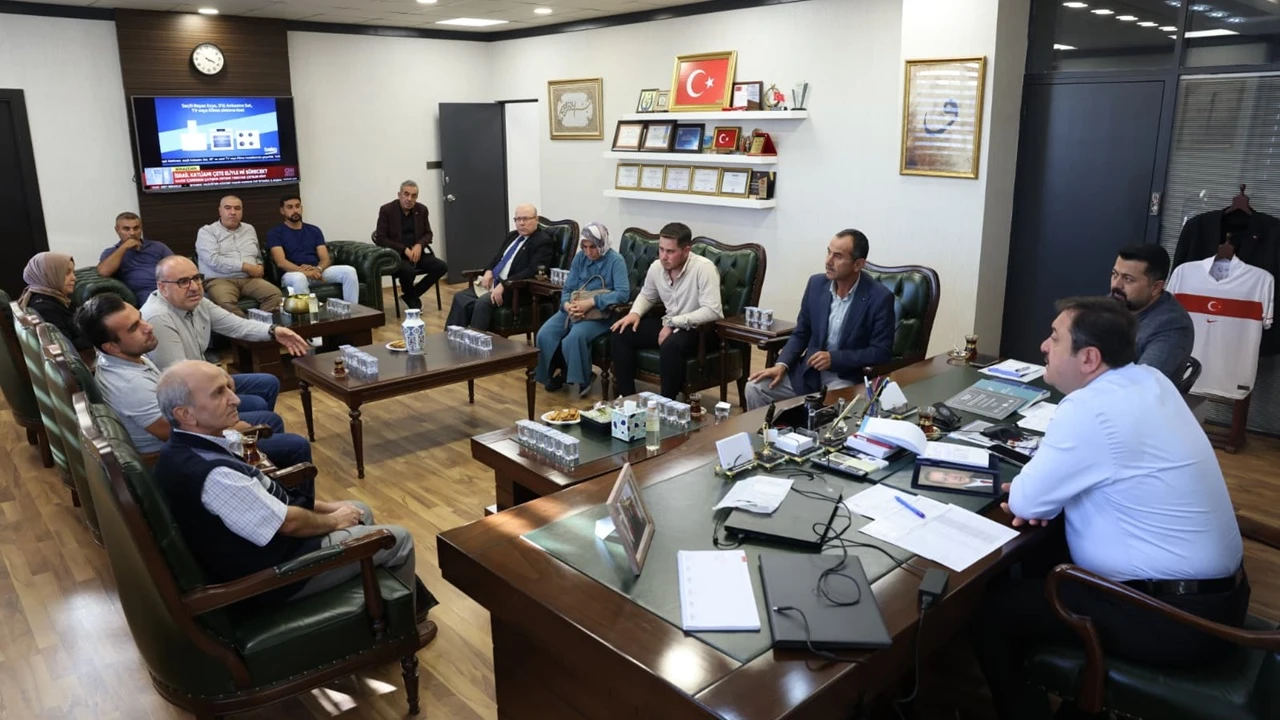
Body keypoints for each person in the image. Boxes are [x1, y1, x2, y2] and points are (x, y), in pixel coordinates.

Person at [974, 296, 1248, 720]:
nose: (1044, 345)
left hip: (1176, 622)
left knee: (993, 613)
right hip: (1224, 598)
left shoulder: (1089, 408)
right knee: (1042, 556)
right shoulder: (1151, 380)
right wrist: (1046, 494)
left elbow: (1026, 501)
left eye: (1055, 338)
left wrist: (1040, 494)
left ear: (1089, 358)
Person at [152, 360, 435, 615]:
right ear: (185, 414)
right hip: (271, 578)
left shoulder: (188, 448)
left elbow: (266, 501)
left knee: (359, 510)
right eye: (218, 393)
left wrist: (327, 509)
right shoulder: (214, 475)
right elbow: (288, 524)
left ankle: (374, 613)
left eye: (229, 388)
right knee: (397, 539)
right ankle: (406, 623)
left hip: (265, 551)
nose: (235, 399)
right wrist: (333, 520)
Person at [76, 293, 312, 470]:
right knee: (292, 441)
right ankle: (270, 486)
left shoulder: (125, 357)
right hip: (185, 455)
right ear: (111, 346)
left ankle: (265, 478)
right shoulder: (130, 385)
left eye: (140, 318)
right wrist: (236, 429)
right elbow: (175, 434)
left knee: (265, 405)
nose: (148, 327)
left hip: (187, 423)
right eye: (135, 327)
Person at [744, 230, 895, 410]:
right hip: (809, 374)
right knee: (755, 388)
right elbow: (801, 332)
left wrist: (835, 359)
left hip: (845, 379)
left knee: (834, 414)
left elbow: (880, 352)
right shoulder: (816, 284)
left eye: (838, 256)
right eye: (828, 252)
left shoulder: (879, 297)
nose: (828, 261)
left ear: (858, 264)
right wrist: (781, 365)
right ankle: (765, 430)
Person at [142, 255, 310, 415]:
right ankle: (238, 431)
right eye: (183, 282)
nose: (193, 287)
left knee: (269, 383)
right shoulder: (157, 318)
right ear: (162, 287)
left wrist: (274, 331)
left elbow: (236, 325)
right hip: (184, 397)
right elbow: (178, 374)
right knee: (256, 404)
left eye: (196, 278)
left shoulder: (197, 303)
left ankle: (250, 431)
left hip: (201, 381)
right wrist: (218, 374)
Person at [610, 222, 722, 399]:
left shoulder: (703, 268)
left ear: (686, 250)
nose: (663, 256)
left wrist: (672, 323)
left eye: (670, 251)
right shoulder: (657, 267)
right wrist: (634, 313)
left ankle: (667, 403)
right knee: (621, 332)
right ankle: (628, 398)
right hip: (670, 322)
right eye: (661, 249)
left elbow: (712, 311)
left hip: (700, 330)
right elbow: (647, 296)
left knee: (671, 345)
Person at [535, 223, 629, 397]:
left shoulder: (616, 261)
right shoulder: (580, 258)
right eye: (584, 247)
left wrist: (592, 302)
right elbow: (568, 288)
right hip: (573, 308)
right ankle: (550, 373)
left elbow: (623, 294)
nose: (588, 252)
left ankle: (584, 378)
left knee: (574, 337)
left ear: (602, 243)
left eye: (593, 247)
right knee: (544, 334)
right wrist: (567, 305)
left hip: (599, 314)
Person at [445, 203, 555, 331]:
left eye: (525, 219)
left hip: (516, 289)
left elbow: (532, 270)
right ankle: (451, 338)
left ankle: (476, 341)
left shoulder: (542, 241)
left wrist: (504, 284)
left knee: (482, 303)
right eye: (518, 219)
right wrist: (489, 271)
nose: (521, 223)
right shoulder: (513, 236)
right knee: (460, 297)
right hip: (495, 283)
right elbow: (497, 258)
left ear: (536, 219)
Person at [1110, 243, 1194, 384]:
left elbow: (1141, 383)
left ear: (1155, 287)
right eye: (1114, 274)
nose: (1116, 285)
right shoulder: (1113, 303)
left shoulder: (1173, 326)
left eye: (1128, 279)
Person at [195, 195, 282, 317]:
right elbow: (213, 260)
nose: (233, 212)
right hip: (219, 280)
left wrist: (259, 265)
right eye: (228, 208)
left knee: (275, 295)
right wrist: (245, 267)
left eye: (237, 208)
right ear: (220, 211)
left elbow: (257, 255)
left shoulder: (249, 229)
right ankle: (245, 328)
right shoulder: (207, 231)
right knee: (225, 303)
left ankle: (260, 325)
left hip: (249, 279)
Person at [265, 194, 359, 304]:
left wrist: (318, 269)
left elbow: (325, 258)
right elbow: (281, 262)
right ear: (282, 211)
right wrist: (305, 272)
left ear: (302, 208)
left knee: (349, 271)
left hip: (316, 271)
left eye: (297, 206)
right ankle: (308, 313)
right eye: (290, 207)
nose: (295, 210)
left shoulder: (314, 230)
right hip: (292, 274)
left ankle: (353, 310)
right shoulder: (275, 233)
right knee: (299, 278)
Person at [375, 180, 449, 311]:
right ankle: (411, 297)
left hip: (417, 254)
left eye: (413, 196)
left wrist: (419, 245)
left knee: (441, 267)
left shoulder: (422, 210)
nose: (409, 199)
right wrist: (403, 249)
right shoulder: (387, 210)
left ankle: (410, 296)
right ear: (399, 195)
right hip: (396, 256)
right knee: (408, 271)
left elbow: (428, 233)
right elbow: (380, 238)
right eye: (406, 194)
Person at [18, 252, 93, 354]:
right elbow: (67, 345)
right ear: (47, 275)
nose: (74, 278)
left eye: (73, 272)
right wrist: (100, 337)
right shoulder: (44, 308)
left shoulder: (56, 297)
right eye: (67, 273)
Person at [96, 212, 173, 304]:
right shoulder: (111, 252)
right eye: (126, 229)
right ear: (117, 230)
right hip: (145, 292)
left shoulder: (158, 247)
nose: (132, 233)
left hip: (169, 287)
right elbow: (103, 272)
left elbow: (178, 265)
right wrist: (124, 247)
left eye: (136, 228)